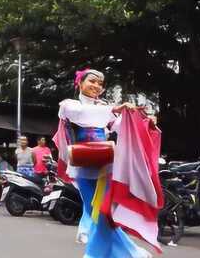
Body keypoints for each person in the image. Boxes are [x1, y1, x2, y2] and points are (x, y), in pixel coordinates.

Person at [57, 68, 152, 257]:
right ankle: (131, 252)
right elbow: (82, 114)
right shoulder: (69, 105)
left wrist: (144, 121)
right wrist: (113, 109)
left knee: (103, 211)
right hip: (82, 164)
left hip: (105, 164)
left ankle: (95, 254)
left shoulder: (104, 108)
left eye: (100, 83)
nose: (96, 86)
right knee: (96, 210)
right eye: (92, 81)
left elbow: (120, 125)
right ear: (80, 83)